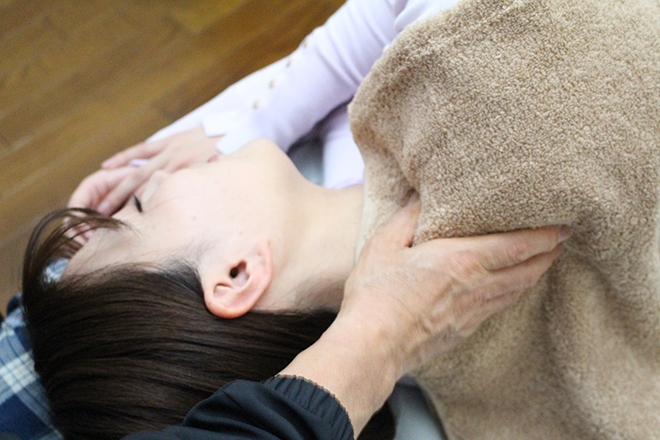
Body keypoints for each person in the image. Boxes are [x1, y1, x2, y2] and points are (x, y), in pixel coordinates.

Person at [16, 0, 568, 438]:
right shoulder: (479, 150)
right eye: (136, 211)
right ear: (237, 273)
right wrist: (257, 123)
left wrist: (259, 122)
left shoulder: (346, 164)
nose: (152, 181)